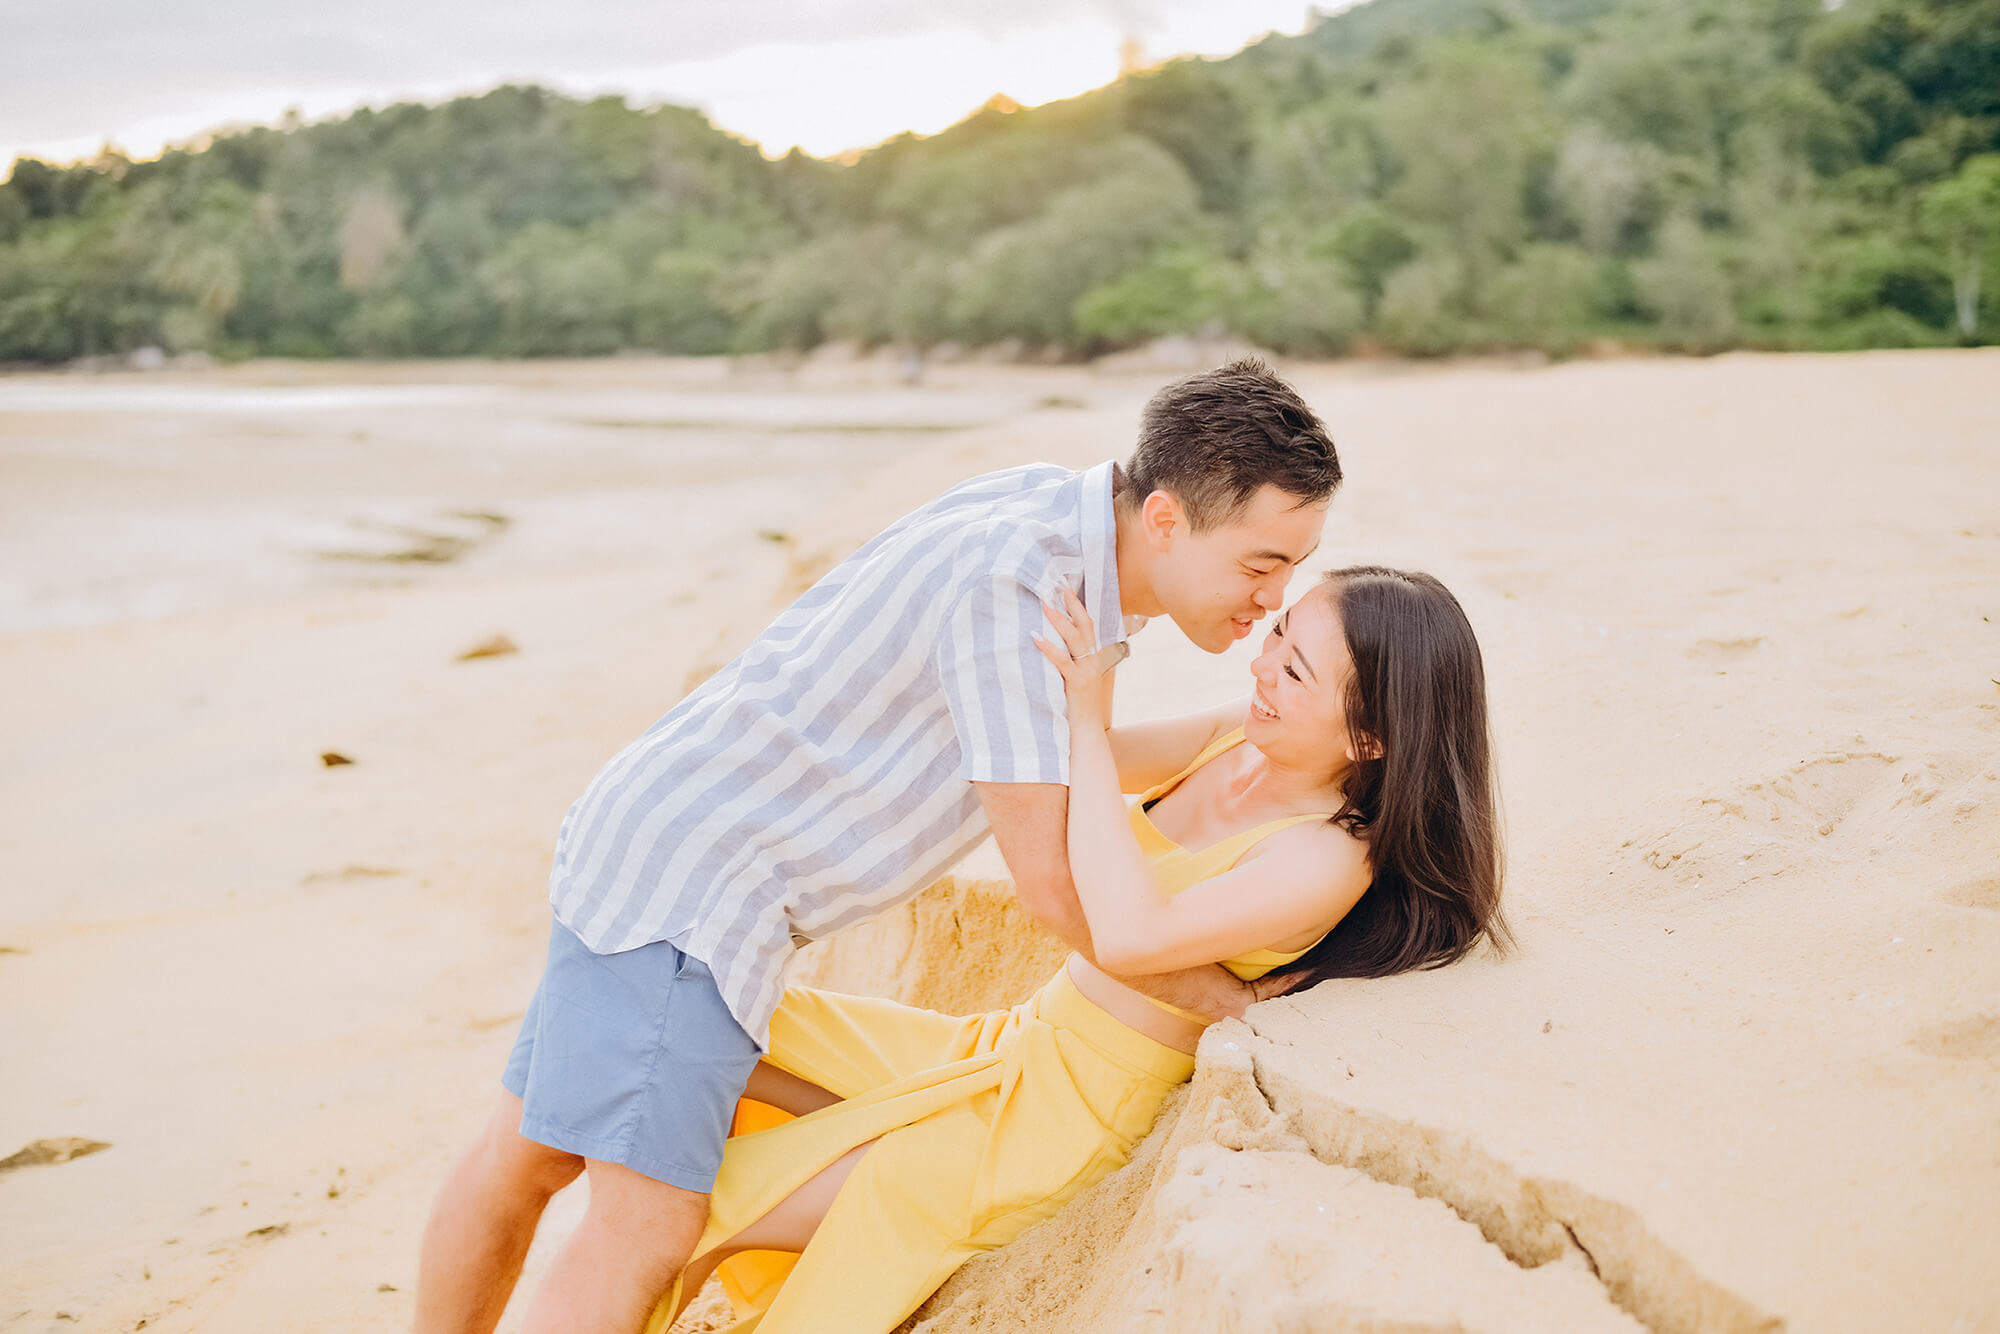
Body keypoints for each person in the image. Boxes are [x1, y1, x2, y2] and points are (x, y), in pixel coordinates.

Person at [413, 359, 1343, 1334]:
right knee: (642, 1230)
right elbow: (1054, 891)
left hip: (657, 839)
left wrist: (1222, 723)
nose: (1269, 597)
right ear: (1163, 519)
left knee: (525, 1154)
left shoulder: (1048, 522)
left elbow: (1060, 761)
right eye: (1261, 563)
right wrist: (1228, 1003)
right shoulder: (1021, 594)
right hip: (694, 894)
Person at [641, 565, 1511, 1334]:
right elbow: (1053, 756)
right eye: (1279, 633)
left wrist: (1092, 725)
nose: (1261, 666)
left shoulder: (1325, 855)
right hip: (1007, 1043)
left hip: (1063, 1120)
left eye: (1294, 670)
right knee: (727, 1013)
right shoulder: (1238, 737)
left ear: (1370, 739)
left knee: (709, 1198)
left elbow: (1131, 935)